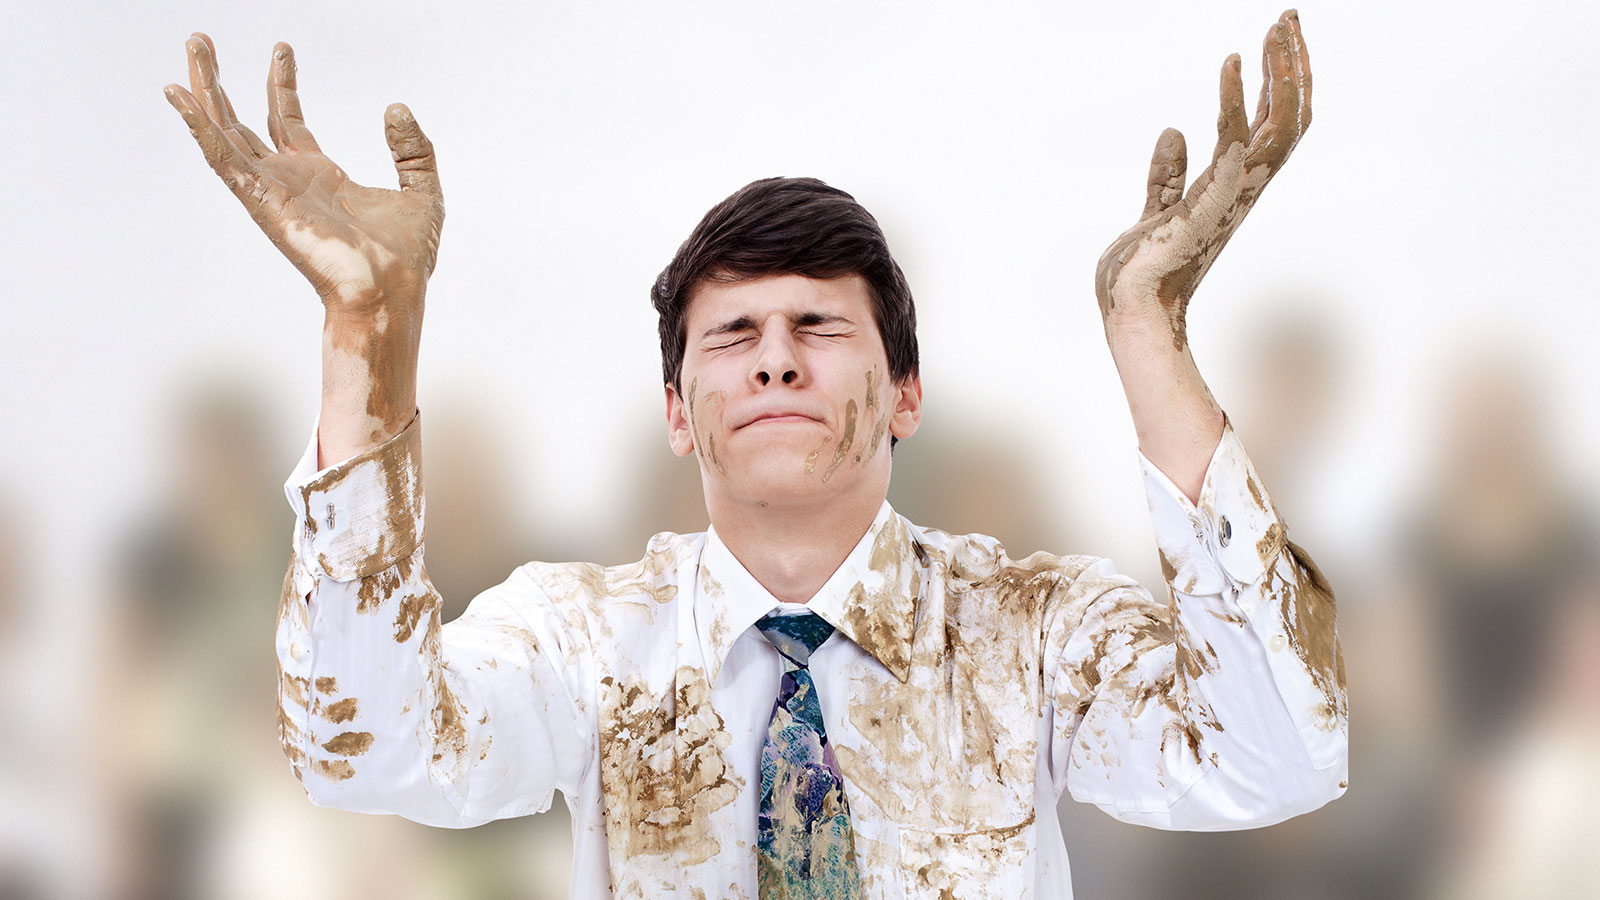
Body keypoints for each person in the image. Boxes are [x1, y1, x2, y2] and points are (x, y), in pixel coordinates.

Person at [163, 9, 1346, 899]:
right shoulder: (581, 640)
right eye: (732, 336)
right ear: (678, 413)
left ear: (905, 396)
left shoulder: (1032, 630)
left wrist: (1147, 324)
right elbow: (358, 751)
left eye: (819, 328)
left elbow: (1280, 758)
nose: (775, 360)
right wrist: (368, 332)